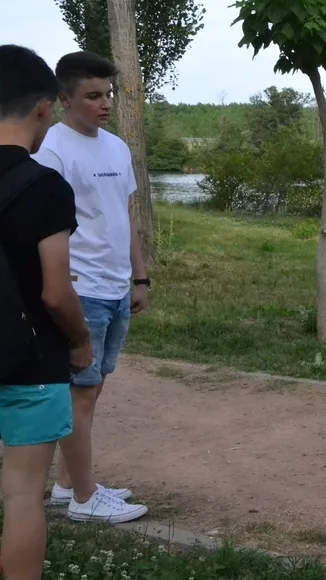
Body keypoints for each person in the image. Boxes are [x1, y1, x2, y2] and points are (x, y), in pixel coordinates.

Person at [33, 50, 149, 523]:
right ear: (64, 99)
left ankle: (67, 485)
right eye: (93, 96)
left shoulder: (117, 148)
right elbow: (43, 225)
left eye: (109, 94)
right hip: (81, 290)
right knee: (79, 394)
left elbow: (124, 215)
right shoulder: (51, 150)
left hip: (116, 286)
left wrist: (139, 276)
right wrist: (60, 283)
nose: (105, 104)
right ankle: (85, 498)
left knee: (93, 388)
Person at [0, 44, 92, 580]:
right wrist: (80, 340)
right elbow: (56, 293)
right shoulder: (45, 186)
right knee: (22, 494)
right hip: (31, 363)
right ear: (41, 108)